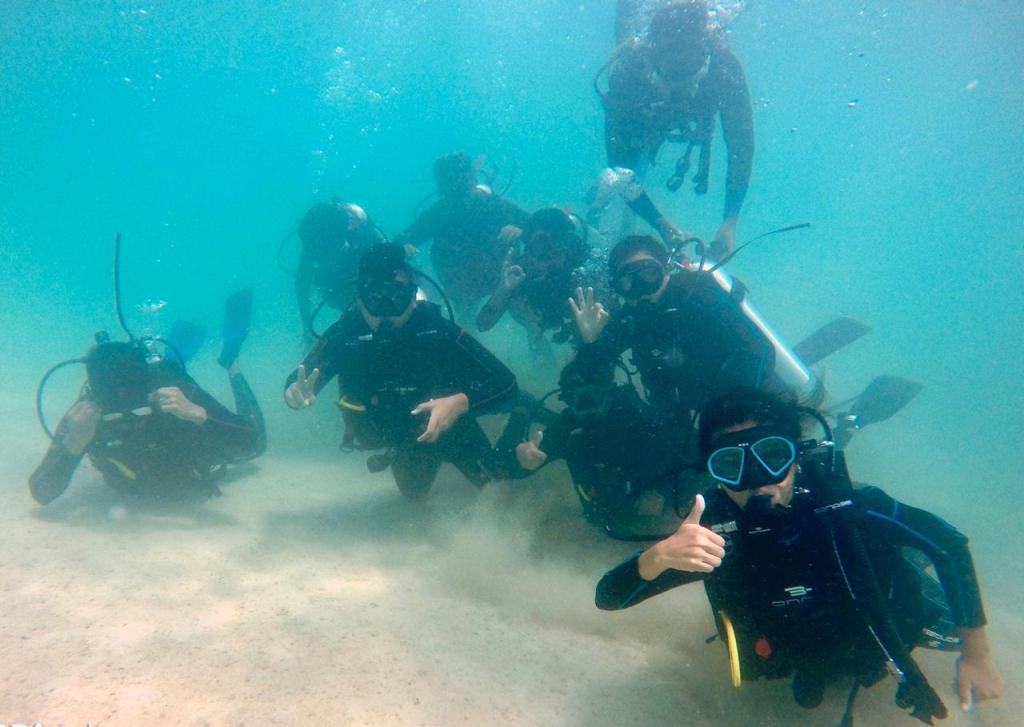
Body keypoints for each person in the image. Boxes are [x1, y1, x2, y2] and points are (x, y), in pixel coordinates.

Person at [596, 387, 1003, 722]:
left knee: (937, 605)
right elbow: (609, 598)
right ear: (715, 474)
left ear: (796, 456)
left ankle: (850, 427)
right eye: (732, 464)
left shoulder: (846, 508)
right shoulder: (713, 536)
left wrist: (977, 654)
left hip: (888, 621)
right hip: (801, 652)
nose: (757, 481)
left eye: (773, 456)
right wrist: (657, 558)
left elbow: (949, 544)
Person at [284, 243, 519, 499]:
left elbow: (506, 384)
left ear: (413, 298)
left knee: (500, 493)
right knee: (413, 493)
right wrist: (294, 394)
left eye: (396, 297)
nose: (386, 311)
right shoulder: (345, 334)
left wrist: (461, 402)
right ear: (359, 298)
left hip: (453, 430)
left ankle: (521, 420)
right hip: (403, 437)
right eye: (375, 298)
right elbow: (300, 379)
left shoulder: (437, 330)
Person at [570, 234, 793, 443]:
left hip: (752, 404)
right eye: (627, 283)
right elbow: (589, 372)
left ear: (666, 269)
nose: (642, 290)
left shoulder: (699, 295)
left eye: (649, 275)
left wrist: (731, 410)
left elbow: (760, 350)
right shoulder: (633, 320)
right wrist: (590, 341)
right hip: (691, 415)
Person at [597, 0, 754, 258]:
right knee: (633, 162)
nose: (680, 82)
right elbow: (619, 167)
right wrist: (659, 221)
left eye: (689, 66)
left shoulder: (725, 69)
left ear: (705, 56)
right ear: (652, 57)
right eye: (671, 69)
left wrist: (730, 221)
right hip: (641, 109)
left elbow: (742, 148)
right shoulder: (629, 73)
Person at [29, 333, 266, 504]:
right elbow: (42, 493)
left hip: (196, 475)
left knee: (258, 451)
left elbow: (251, 442)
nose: (123, 396)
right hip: (132, 490)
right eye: (111, 390)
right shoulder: (85, 415)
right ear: (96, 387)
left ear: (145, 377)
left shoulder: (176, 393)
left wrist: (200, 416)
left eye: (131, 384)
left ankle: (232, 367)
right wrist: (73, 444)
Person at [507, 355, 683, 529]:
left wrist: (661, 491)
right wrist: (522, 461)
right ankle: (521, 413)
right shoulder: (569, 424)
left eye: (590, 396)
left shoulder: (639, 418)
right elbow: (513, 468)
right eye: (572, 398)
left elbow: (687, 465)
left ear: (608, 391)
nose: (584, 407)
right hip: (603, 518)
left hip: (647, 516)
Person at [394, 152, 529, 315]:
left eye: (460, 182)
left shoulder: (495, 205)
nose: (456, 189)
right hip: (464, 285)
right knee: (467, 314)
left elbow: (537, 228)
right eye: (449, 183)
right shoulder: (438, 213)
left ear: (472, 178)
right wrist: (404, 248)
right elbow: (399, 242)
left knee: (520, 308)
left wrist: (522, 231)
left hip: (498, 277)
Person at [476, 208, 600, 358]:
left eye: (558, 242)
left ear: (568, 246)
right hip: (537, 317)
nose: (551, 254)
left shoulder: (579, 270)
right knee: (532, 325)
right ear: (528, 251)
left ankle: (596, 209)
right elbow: (483, 324)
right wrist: (503, 289)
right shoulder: (521, 272)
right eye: (540, 245)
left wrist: (588, 336)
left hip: (561, 316)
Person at [293, 200, 386, 339]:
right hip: (338, 286)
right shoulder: (313, 245)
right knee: (340, 296)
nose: (327, 257)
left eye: (330, 249)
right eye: (323, 253)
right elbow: (302, 288)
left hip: (365, 275)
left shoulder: (367, 237)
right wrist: (307, 329)